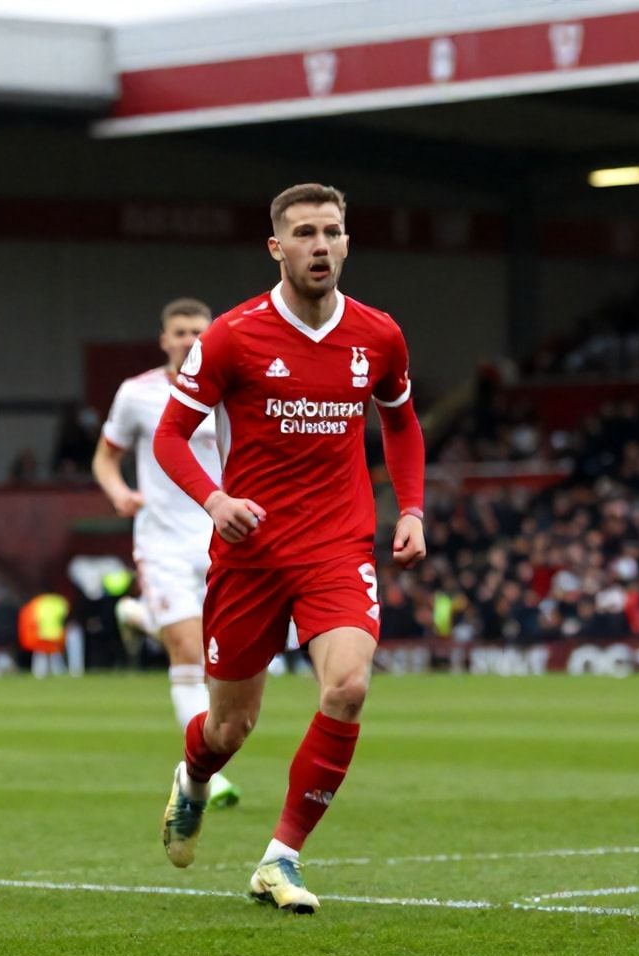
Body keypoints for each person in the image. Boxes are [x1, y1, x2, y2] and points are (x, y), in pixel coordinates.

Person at [152, 183, 426, 913]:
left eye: (331, 232)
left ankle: (281, 858)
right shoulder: (234, 337)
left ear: (346, 242)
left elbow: (399, 420)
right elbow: (169, 437)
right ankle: (194, 775)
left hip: (337, 546)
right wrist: (216, 500)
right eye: (303, 233)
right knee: (228, 727)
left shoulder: (379, 335)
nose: (319, 245)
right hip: (251, 553)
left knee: (348, 686)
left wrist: (413, 509)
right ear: (277, 248)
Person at [93, 299, 239, 808]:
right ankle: (208, 770)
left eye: (199, 331)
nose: (189, 339)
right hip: (162, 543)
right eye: (179, 332)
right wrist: (117, 491)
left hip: (224, 536)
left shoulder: (231, 388)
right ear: (164, 340)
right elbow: (106, 456)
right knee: (190, 652)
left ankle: (137, 614)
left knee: (229, 655)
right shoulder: (137, 394)